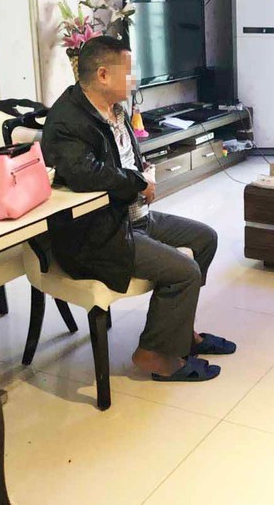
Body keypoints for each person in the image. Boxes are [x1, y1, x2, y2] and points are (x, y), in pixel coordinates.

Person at [41, 35, 234, 381]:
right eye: (129, 71)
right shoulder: (67, 120)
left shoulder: (116, 109)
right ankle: (152, 354)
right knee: (185, 271)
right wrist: (138, 183)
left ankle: (181, 334)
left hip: (131, 217)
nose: (135, 78)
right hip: (97, 234)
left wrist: (142, 175)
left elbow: (126, 159)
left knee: (205, 239)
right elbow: (85, 174)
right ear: (103, 75)